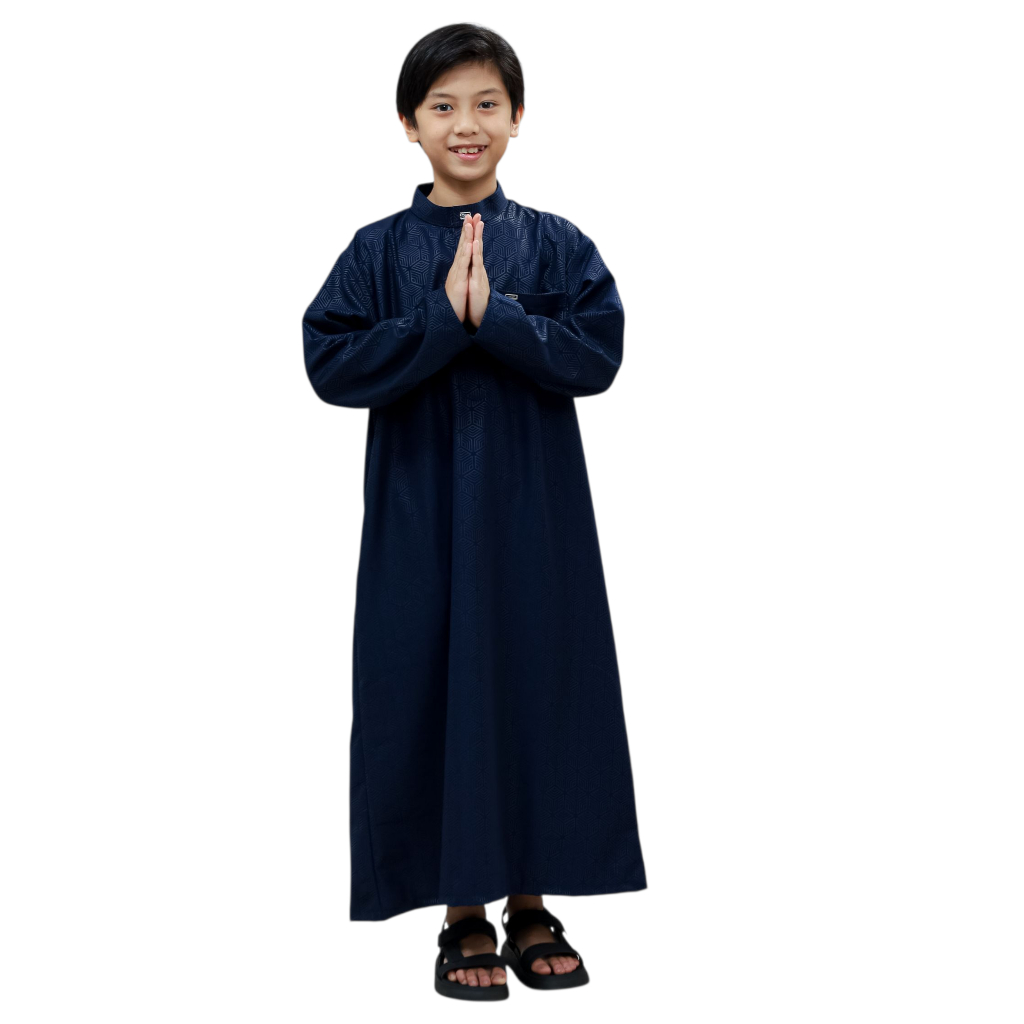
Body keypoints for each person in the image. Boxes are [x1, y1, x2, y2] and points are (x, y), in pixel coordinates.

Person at [301, 23, 647, 1000]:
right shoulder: (376, 251)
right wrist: (436, 320)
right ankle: (462, 912)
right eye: (443, 105)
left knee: (538, 682)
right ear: (408, 123)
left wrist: (495, 316)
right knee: (430, 687)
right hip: (419, 517)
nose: (466, 123)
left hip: (536, 516)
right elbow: (330, 363)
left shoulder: (557, 243)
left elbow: (597, 355)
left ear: (518, 116)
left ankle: (531, 898)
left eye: (486, 104)